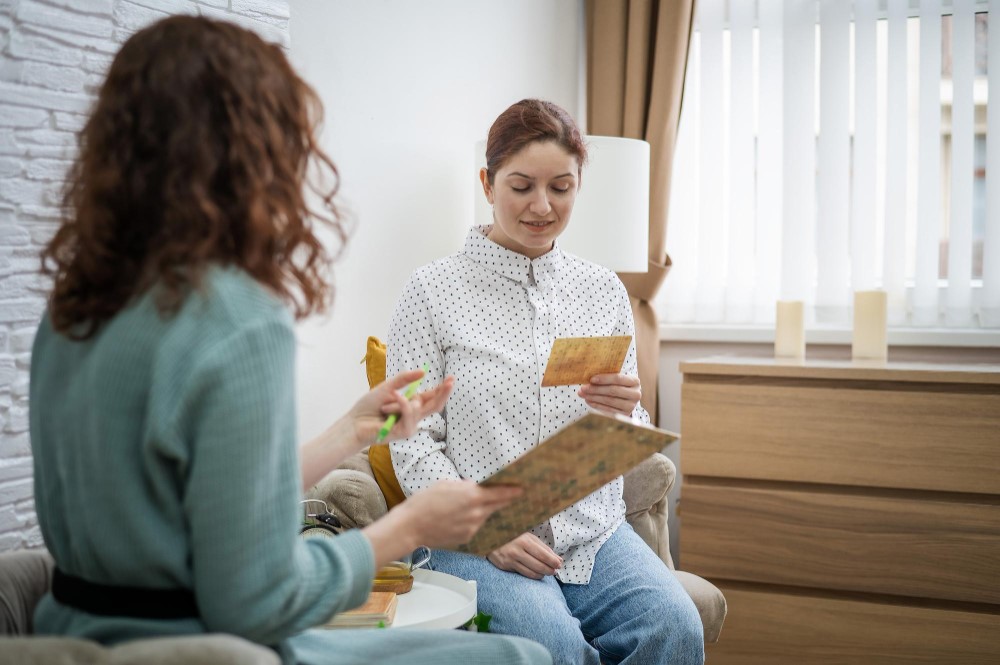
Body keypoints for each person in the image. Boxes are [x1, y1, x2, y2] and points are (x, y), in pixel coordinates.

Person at [28, 16, 551, 665]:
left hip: (72, 632)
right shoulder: (238, 319)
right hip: (204, 649)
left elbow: (184, 506)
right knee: (523, 656)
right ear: (255, 151)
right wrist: (409, 527)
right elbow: (254, 601)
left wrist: (353, 432)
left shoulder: (75, 303)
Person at [386, 99, 704, 665]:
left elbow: (628, 427)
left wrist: (626, 413)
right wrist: (485, 528)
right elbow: (407, 439)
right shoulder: (430, 291)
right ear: (487, 183)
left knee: (676, 628)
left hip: (592, 533)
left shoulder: (603, 290)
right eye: (521, 185)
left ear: (578, 185)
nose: (542, 205)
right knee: (549, 645)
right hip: (472, 540)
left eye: (561, 187)